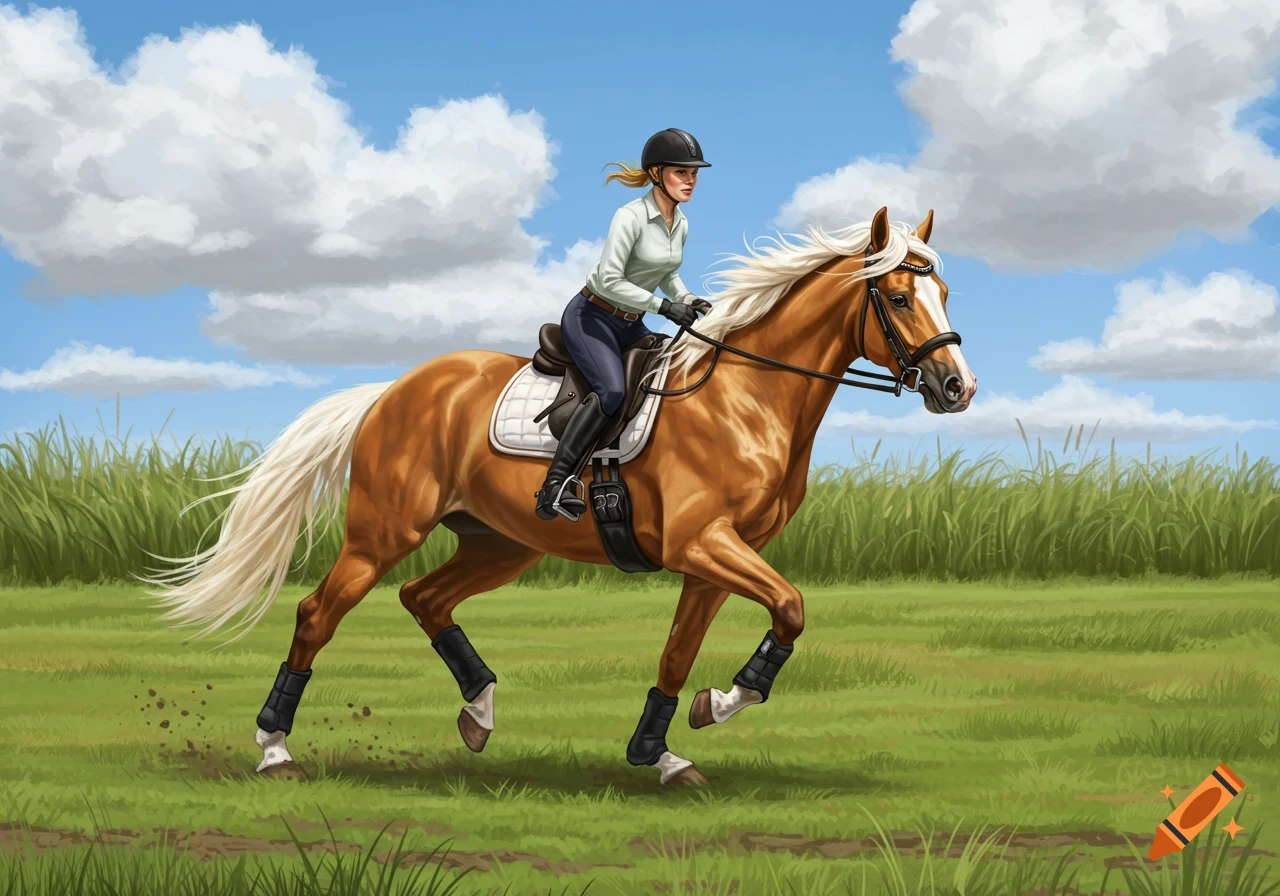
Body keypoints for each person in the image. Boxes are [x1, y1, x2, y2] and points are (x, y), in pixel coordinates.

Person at [535, 128, 713, 521]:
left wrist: (687, 298)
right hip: (592, 316)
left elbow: (667, 273)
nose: (690, 181)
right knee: (612, 390)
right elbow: (609, 281)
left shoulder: (679, 223)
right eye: (681, 173)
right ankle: (556, 483)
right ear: (655, 174)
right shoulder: (630, 216)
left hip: (631, 322)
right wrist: (664, 308)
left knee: (671, 371)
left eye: (694, 174)